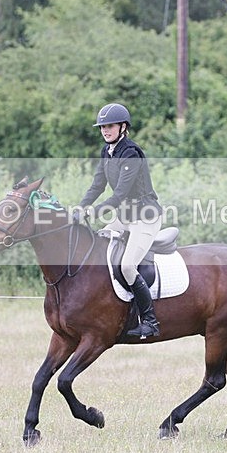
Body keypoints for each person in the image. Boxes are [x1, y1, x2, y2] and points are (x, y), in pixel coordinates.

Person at [73, 103, 163, 338]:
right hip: (124, 217)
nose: (105, 130)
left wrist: (94, 212)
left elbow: (120, 193)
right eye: (102, 127)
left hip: (145, 217)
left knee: (127, 266)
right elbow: (97, 186)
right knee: (99, 247)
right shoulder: (107, 152)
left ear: (123, 127)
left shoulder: (130, 153)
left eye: (110, 126)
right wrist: (81, 207)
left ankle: (150, 321)